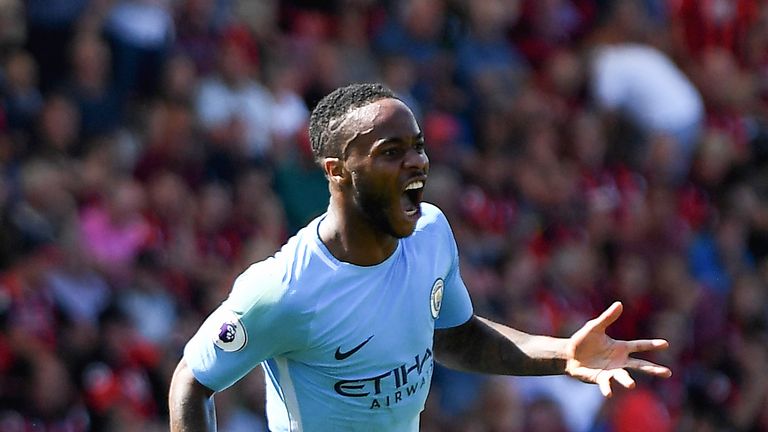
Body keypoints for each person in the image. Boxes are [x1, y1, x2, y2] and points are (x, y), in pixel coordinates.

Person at [168, 83, 672, 431]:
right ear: (338, 169)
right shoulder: (284, 289)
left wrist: (563, 355)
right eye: (391, 152)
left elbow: (454, 339)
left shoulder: (431, 232)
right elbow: (192, 382)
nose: (417, 161)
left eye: (419, 146)